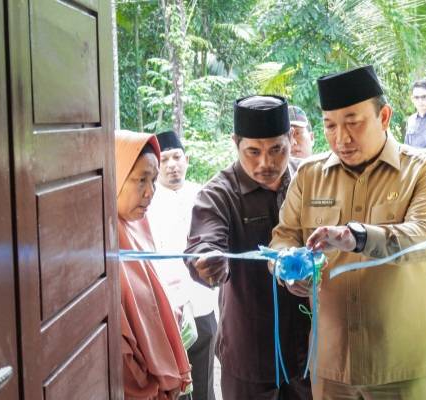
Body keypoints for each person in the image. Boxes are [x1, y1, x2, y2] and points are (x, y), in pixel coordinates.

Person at [269, 65, 426, 399]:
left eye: (353, 122)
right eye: (330, 125)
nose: (341, 138)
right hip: (331, 363)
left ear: (384, 116)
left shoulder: (423, 170)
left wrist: (359, 237)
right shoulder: (309, 175)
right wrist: (287, 268)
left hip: (400, 365)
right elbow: (283, 236)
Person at [184, 95, 311, 400]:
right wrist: (209, 263)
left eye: (276, 149)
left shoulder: (310, 181)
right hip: (249, 354)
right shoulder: (218, 194)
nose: (265, 163)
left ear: (291, 138)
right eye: (253, 151)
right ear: (235, 143)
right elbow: (205, 242)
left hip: (309, 351)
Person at [115, 130, 192, 399]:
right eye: (141, 180)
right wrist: (148, 386)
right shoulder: (102, 240)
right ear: (115, 175)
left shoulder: (137, 225)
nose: (150, 192)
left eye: (153, 180)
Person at [147, 130, 218, 400]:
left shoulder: (204, 195)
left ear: (187, 160)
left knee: (204, 383)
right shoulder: (147, 200)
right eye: (164, 160)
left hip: (202, 302)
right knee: (173, 385)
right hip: (166, 306)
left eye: (177, 157)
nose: (172, 165)